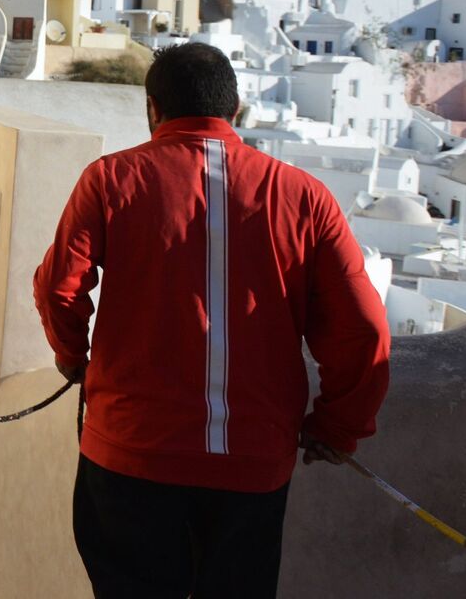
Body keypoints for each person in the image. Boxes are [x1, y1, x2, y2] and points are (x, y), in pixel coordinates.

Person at [34, 42, 390, 598]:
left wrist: (73, 359)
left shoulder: (110, 180)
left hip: (130, 454)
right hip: (253, 467)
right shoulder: (307, 198)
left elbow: (59, 289)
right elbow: (364, 331)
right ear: (237, 108)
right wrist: (337, 427)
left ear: (153, 108)